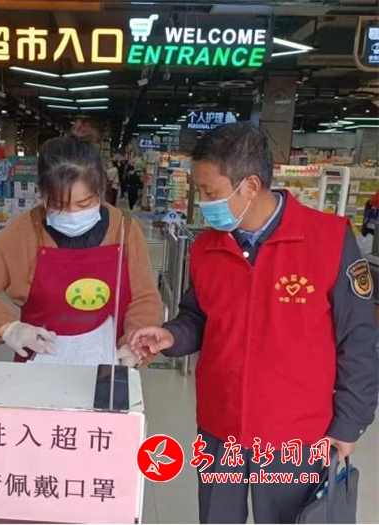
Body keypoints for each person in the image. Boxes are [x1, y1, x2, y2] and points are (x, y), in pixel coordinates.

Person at [129, 123, 378, 524]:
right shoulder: (208, 248)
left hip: (295, 432)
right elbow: (197, 317)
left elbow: (360, 338)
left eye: (210, 192)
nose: (203, 202)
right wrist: (169, 335)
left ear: (250, 185)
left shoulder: (327, 239)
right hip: (221, 424)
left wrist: (350, 422)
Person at [0, 122, 163, 367]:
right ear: (42, 194)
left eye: (84, 204)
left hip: (110, 367)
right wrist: (8, 328)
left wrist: (136, 343)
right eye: (58, 205)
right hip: (40, 370)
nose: (72, 213)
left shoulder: (124, 231)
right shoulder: (24, 233)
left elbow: (144, 298)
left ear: (101, 190)